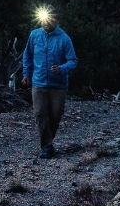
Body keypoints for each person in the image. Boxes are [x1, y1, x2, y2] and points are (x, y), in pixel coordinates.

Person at [22, 8, 78, 159]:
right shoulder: (34, 35)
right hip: (38, 83)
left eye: (49, 20)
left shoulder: (64, 39)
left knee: (55, 115)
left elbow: (73, 61)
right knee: (40, 114)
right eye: (44, 20)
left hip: (58, 86)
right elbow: (27, 54)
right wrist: (26, 73)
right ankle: (46, 146)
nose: (46, 23)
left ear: (55, 20)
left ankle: (48, 142)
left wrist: (61, 68)